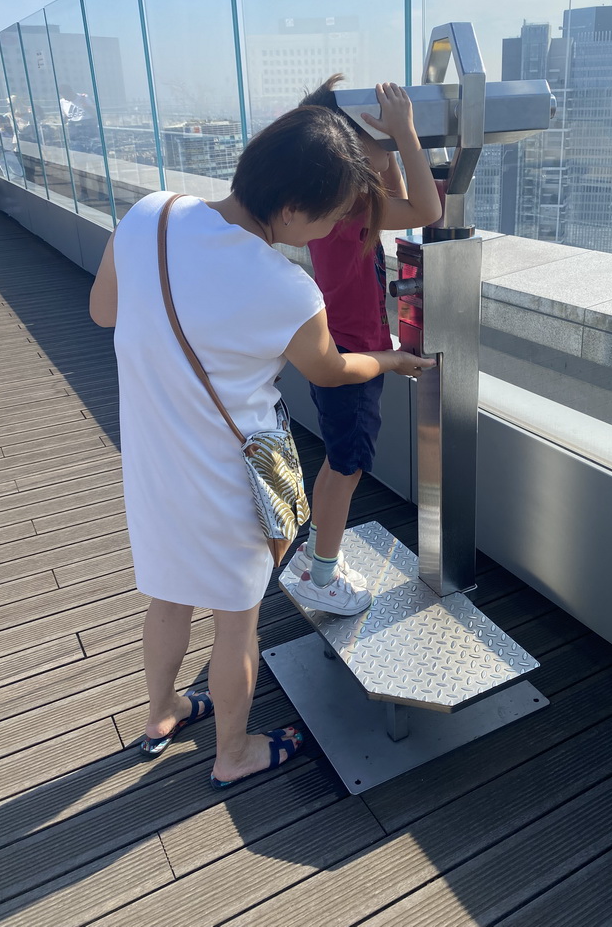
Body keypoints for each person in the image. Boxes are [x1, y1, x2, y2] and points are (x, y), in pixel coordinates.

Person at [89, 103, 435, 789]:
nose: (336, 228)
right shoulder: (286, 288)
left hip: (152, 466)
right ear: (293, 206)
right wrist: (391, 363)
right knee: (235, 624)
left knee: (167, 598)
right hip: (227, 479)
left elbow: (105, 312)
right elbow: (332, 369)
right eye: (331, 214)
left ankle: (163, 712)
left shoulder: (150, 214)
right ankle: (234, 750)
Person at [284, 77, 442, 611]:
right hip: (352, 361)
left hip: (349, 349)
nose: (387, 142)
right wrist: (406, 132)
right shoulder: (350, 209)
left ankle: (314, 554)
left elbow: (397, 199)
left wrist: (387, 149)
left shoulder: (340, 205)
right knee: (347, 468)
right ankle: (321, 577)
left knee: (337, 463)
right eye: (371, 130)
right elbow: (424, 210)